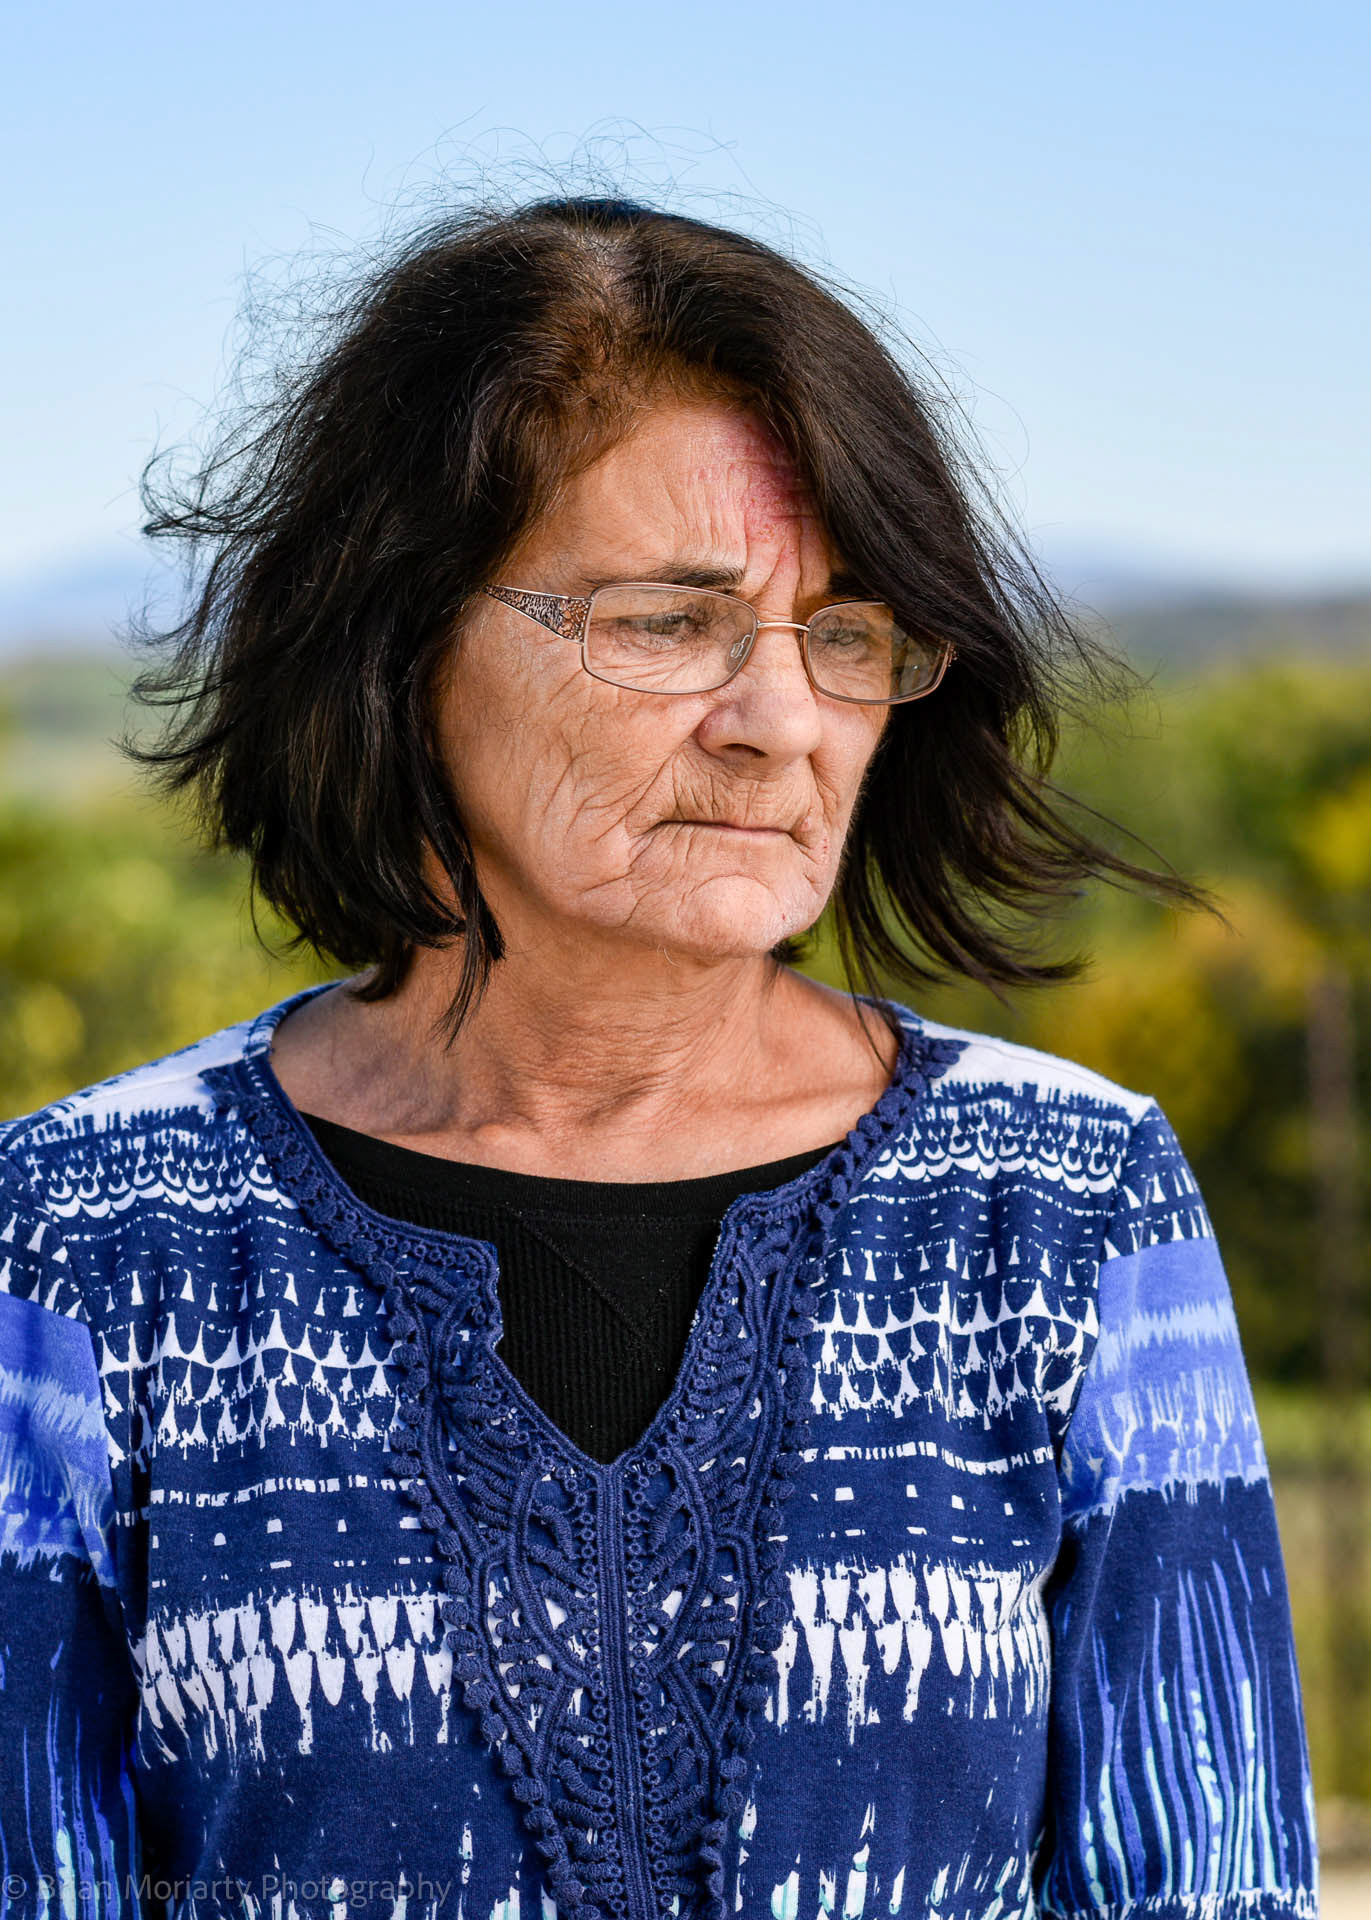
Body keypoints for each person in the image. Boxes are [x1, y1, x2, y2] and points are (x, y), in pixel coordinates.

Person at [0, 196, 1316, 1920]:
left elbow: (1207, 1886)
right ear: (400, 641)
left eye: (847, 632)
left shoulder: (1064, 1204)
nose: (783, 720)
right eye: (668, 620)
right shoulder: (92, 1236)